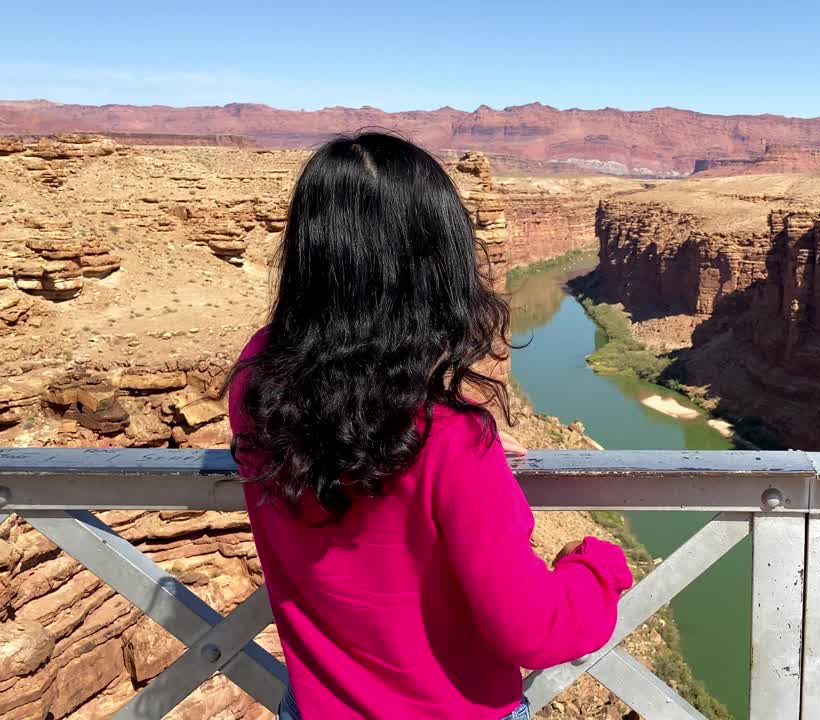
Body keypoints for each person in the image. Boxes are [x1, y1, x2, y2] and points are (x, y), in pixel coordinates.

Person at [226, 131, 633, 720]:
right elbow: (534, 633)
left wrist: (459, 451)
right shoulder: (448, 441)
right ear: (436, 266)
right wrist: (597, 565)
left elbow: (348, 418)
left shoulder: (256, 379)